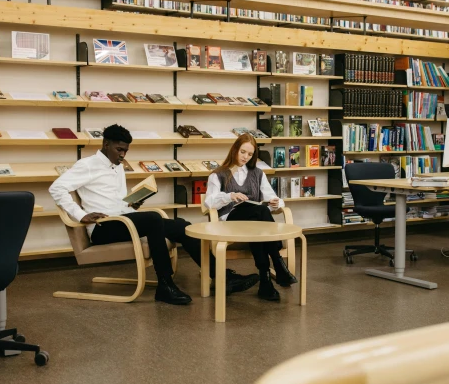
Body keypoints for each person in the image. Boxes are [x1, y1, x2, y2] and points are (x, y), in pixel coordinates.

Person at [49, 124, 258, 306]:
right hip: (103, 227)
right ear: (106, 144)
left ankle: (222, 277)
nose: (122, 155)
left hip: (122, 220)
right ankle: (165, 285)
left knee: (183, 226)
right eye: (119, 149)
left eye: (125, 150)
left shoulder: (117, 167)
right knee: (153, 219)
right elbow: (56, 188)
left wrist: (132, 203)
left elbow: (117, 202)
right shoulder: (86, 165)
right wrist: (80, 214)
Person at [204, 133, 297, 302]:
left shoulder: (257, 173)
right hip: (230, 221)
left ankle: (265, 281)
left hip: (255, 221)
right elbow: (209, 203)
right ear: (234, 150)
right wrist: (229, 196)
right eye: (243, 152)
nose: (246, 157)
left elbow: (272, 198)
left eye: (250, 154)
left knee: (259, 216)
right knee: (259, 214)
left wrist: (275, 203)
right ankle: (277, 264)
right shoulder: (218, 174)